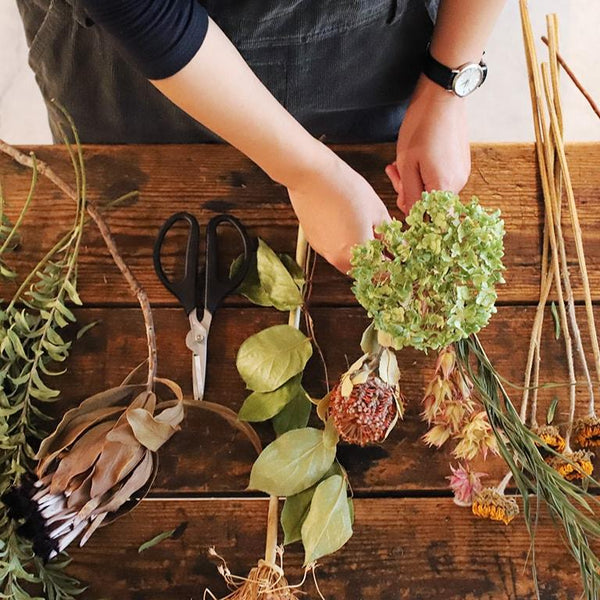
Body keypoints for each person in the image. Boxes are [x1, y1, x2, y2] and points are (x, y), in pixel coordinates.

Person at [16, 0, 505, 272]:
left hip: (372, 42)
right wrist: (307, 170)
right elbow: (138, 11)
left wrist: (447, 81)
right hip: (134, 72)